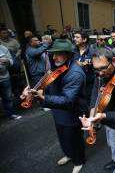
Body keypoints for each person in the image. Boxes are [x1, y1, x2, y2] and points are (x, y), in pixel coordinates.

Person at [21, 39, 87, 173]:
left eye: (59, 54)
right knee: (63, 137)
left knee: (74, 139)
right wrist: (31, 93)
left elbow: (67, 100)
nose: (54, 57)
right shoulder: (57, 68)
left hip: (72, 113)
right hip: (59, 111)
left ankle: (79, 160)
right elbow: (48, 87)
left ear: (68, 55)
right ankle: (69, 154)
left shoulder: (75, 73)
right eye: (53, 54)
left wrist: (43, 97)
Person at [79, 48, 115, 173]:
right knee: (113, 146)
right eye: (96, 69)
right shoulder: (102, 72)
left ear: (114, 61)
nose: (99, 73)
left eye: (102, 68)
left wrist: (101, 115)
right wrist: (93, 114)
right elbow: (96, 90)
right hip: (107, 119)